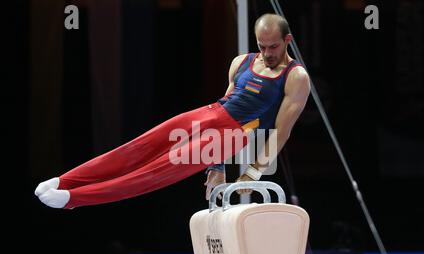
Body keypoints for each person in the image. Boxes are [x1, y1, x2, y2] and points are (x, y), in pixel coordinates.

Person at [35, 13, 310, 209]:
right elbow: (225, 101)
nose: (266, 53)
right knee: (136, 149)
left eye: (273, 47)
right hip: (206, 113)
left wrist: (253, 172)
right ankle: (65, 180)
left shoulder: (295, 77)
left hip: (231, 134)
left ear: (287, 40)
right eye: (261, 46)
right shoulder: (242, 62)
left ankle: (74, 198)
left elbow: (280, 133)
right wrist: (215, 167)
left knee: (154, 172)